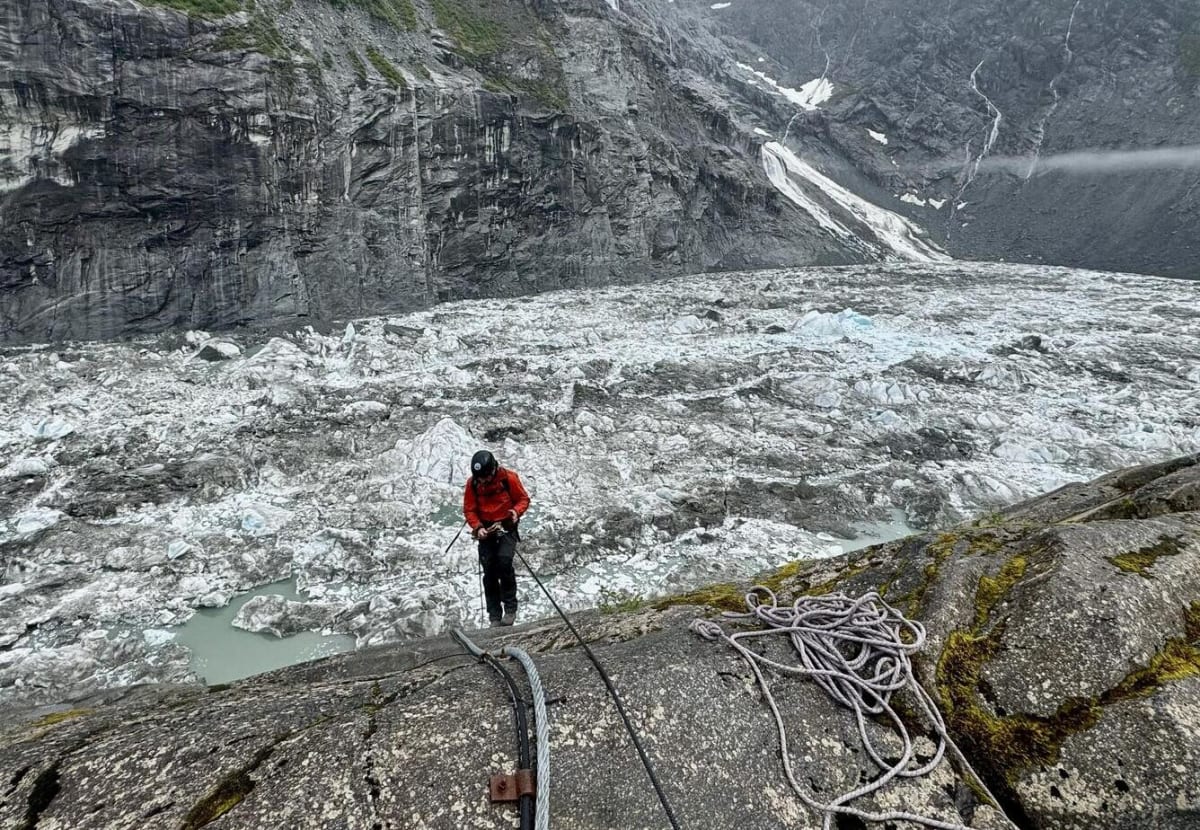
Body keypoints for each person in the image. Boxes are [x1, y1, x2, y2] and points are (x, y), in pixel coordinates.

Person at [463, 450, 530, 627]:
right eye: (480, 478)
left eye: (485, 477)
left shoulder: (508, 478)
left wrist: (516, 512)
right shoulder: (473, 484)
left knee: (505, 561)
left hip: (506, 526)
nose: (483, 481)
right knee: (489, 571)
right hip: (486, 528)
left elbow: (523, 499)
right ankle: (494, 615)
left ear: (493, 470)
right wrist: (477, 527)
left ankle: (510, 608)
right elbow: (469, 509)